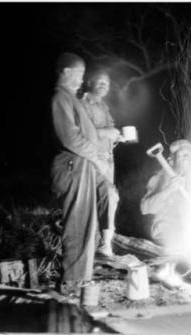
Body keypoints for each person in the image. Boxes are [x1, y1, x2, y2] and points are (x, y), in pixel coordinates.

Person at [50, 53, 115, 295]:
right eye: (78, 74)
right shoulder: (60, 98)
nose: (80, 79)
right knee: (77, 223)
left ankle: (81, 279)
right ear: (66, 72)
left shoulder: (71, 98)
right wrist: (97, 157)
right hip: (73, 166)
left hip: (84, 166)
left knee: (88, 224)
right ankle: (72, 282)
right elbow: (70, 137)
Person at [81, 70, 123, 256]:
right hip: (92, 159)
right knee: (108, 193)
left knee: (106, 198)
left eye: (107, 83)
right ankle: (104, 244)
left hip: (107, 158)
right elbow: (79, 132)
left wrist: (117, 137)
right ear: (90, 81)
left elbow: (109, 130)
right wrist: (104, 133)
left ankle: (102, 243)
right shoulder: (82, 104)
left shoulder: (103, 106)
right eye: (100, 82)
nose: (104, 85)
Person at [140, 139, 191, 283]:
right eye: (182, 155)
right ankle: (169, 273)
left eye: (189, 155)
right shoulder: (160, 178)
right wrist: (169, 190)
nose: (187, 159)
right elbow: (145, 208)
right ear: (171, 161)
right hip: (166, 230)